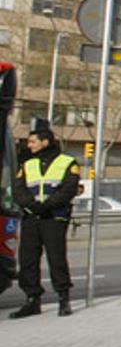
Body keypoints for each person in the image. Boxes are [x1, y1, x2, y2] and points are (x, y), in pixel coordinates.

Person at [10, 127, 79, 319]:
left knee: (56, 259)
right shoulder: (26, 164)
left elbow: (69, 189)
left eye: (33, 141)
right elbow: (18, 190)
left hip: (54, 218)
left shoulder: (67, 162)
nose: (29, 145)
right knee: (28, 260)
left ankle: (63, 299)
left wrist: (47, 205)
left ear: (45, 141)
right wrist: (32, 205)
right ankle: (32, 300)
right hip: (32, 217)